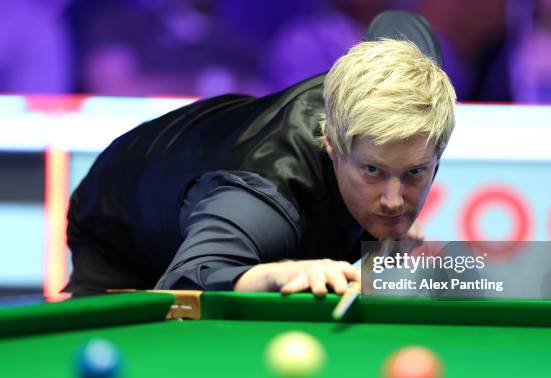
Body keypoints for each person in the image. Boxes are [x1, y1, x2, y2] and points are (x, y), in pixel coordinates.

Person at [64, 11, 457, 297]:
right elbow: (186, 281)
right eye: (373, 171)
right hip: (119, 216)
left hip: (219, 149)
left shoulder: (415, 86)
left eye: (415, 173)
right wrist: (281, 274)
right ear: (332, 145)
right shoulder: (263, 193)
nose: (394, 199)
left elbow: (397, 22)